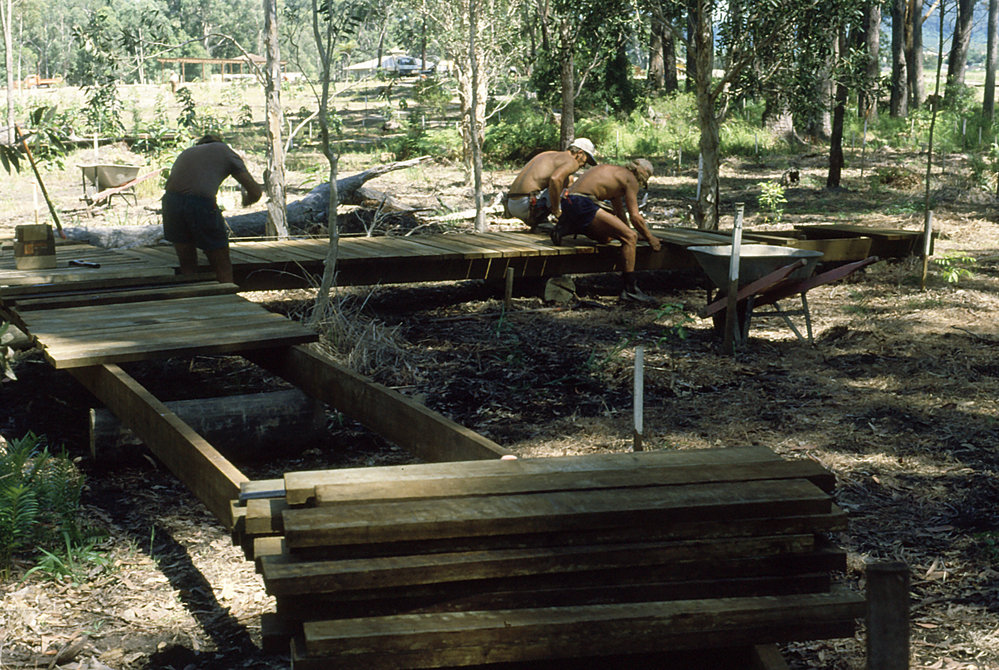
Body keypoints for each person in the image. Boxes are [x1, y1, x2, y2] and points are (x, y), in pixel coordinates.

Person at [552, 158, 662, 303]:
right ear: (643, 173)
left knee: (608, 238)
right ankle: (630, 290)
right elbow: (635, 216)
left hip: (569, 201)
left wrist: (628, 231)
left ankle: (567, 227)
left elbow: (620, 212)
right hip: (583, 203)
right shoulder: (631, 179)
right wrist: (650, 238)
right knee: (630, 237)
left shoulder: (615, 174)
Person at [161, 135, 262, 283]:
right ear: (219, 142)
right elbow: (255, 192)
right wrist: (247, 201)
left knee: (187, 262)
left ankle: (192, 295)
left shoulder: (187, 152)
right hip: (200, 204)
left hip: (171, 203)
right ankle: (227, 294)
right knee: (221, 261)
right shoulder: (224, 151)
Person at [504, 138, 597, 230]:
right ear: (579, 153)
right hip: (526, 205)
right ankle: (562, 217)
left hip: (512, 203)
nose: (584, 165)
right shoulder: (572, 161)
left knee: (568, 178)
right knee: (566, 182)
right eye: (586, 160)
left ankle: (541, 221)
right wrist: (556, 211)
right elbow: (555, 179)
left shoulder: (549, 154)